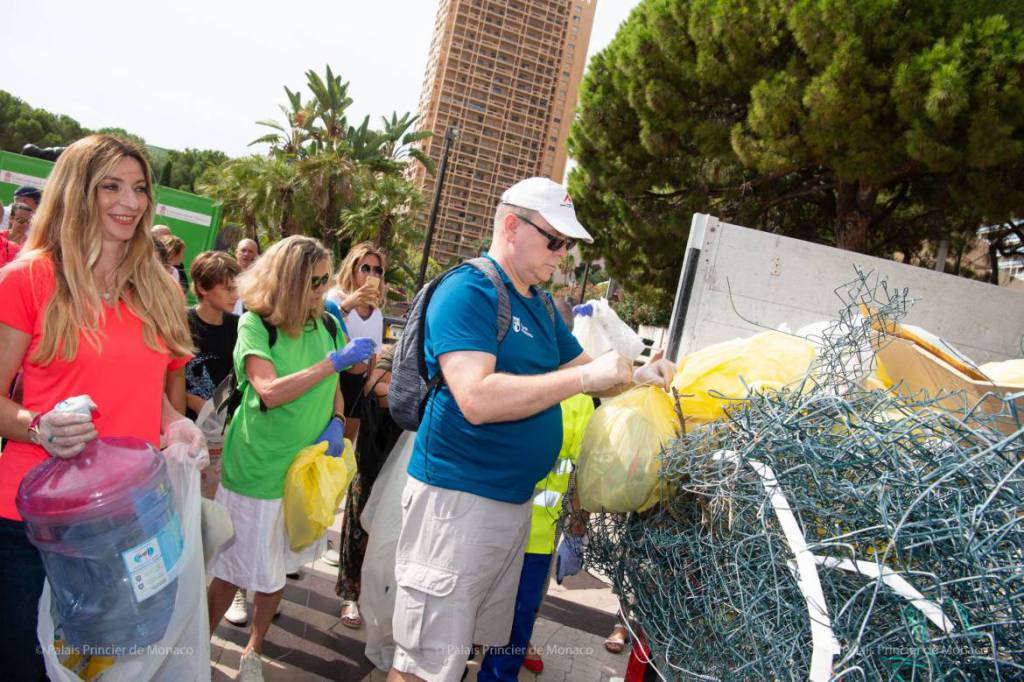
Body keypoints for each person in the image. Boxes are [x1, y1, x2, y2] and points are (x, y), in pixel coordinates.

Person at [387, 177, 675, 682]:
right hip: (456, 504)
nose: (562, 255)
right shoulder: (470, 289)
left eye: (568, 245)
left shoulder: (539, 304)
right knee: (426, 663)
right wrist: (586, 377)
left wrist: (641, 373)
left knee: (461, 654)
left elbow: (593, 372)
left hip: (509, 506)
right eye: (554, 240)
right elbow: (474, 397)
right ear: (511, 226)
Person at [0, 134, 206, 680]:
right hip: (35, 522)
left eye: (139, 189)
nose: (130, 202)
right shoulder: (28, 278)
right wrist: (38, 426)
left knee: (118, 663)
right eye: (111, 186)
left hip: (133, 517)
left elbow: (146, 391)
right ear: (76, 190)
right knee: (28, 665)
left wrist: (175, 423)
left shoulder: (156, 287)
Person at [206, 235, 376, 682]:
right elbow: (269, 391)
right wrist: (331, 364)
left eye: (326, 279)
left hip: (304, 471)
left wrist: (337, 420)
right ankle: (196, 648)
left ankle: (254, 651)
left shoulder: (328, 322)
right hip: (258, 468)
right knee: (228, 570)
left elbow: (338, 386)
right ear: (289, 280)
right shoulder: (257, 325)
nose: (323, 289)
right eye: (314, 281)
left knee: (276, 568)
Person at [477, 297, 596, 680]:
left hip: (538, 536)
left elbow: (581, 470)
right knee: (468, 610)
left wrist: (577, 528)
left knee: (518, 616)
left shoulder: (580, 397)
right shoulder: (505, 375)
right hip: (489, 522)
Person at [184, 251, 240, 420]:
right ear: (202, 287)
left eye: (237, 288)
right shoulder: (180, 322)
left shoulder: (239, 326)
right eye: (229, 289)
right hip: (183, 427)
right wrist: (189, 400)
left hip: (222, 427)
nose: (236, 295)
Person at [233, 238, 260, 315]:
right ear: (236, 253)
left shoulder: (259, 280)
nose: (246, 254)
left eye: (250, 251)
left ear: (256, 256)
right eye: (243, 250)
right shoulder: (226, 273)